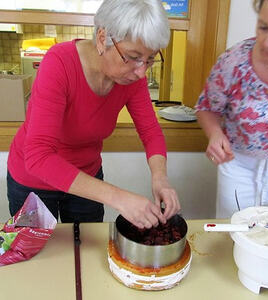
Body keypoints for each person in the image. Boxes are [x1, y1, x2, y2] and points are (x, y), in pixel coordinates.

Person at [7, 0, 180, 228]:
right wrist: (119, 197)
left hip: (87, 180)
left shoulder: (131, 77)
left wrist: (160, 179)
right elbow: (39, 156)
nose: (141, 72)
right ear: (102, 38)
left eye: (150, 60)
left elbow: (150, 132)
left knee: (86, 253)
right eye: (133, 57)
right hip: (33, 181)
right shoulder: (59, 63)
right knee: (39, 258)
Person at [195, 0, 268, 218]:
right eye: (263, 27)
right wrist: (214, 134)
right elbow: (206, 106)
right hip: (238, 170)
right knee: (233, 236)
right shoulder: (234, 61)